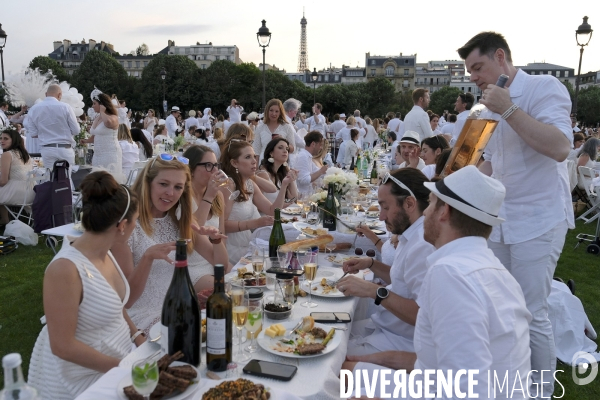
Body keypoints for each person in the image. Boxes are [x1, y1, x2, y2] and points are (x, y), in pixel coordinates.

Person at [344, 166, 532, 399]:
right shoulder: (491, 269)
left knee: (333, 378)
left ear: (445, 212)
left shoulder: (451, 273)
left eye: (431, 204)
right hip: (433, 384)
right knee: (343, 368)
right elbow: (432, 362)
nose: (425, 214)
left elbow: (470, 389)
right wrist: (377, 359)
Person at [458, 31, 573, 396]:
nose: (473, 77)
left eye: (478, 67)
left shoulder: (544, 88)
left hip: (539, 219)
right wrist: (458, 184)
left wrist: (508, 108)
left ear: (501, 57)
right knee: (502, 308)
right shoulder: (490, 104)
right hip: (501, 221)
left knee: (532, 313)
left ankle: (539, 393)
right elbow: (493, 163)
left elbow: (559, 147)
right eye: (469, 71)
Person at [28, 171, 143, 399]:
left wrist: (139, 339)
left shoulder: (106, 252)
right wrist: (123, 368)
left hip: (117, 360)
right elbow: (62, 346)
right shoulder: (65, 269)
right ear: (121, 225)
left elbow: (116, 305)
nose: (135, 228)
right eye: (136, 222)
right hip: (79, 380)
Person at [111, 155, 228, 333]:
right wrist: (147, 258)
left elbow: (221, 265)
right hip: (142, 315)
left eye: (178, 187)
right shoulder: (127, 226)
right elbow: (128, 299)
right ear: (148, 183)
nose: (170, 193)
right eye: (163, 184)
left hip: (180, 310)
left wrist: (216, 239)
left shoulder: (180, 220)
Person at [337, 168, 435, 357]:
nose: (381, 216)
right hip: (384, 328)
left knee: (325, 358)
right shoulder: (411, 235)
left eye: (386, 207)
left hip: (401, 343)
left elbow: (423, 316)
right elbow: (403, 280)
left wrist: (373, 291)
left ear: (409, 203)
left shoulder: (423, 245)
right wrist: (371, 264)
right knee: (325, 330)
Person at [220, 140, 296, 264]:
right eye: (248, 157)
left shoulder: (250, 183)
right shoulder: (229, 185)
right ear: (234, 163)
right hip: (231, 247)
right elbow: (221, 224)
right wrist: (255, 223)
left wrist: (284, 185)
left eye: (254, 156)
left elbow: (273, 210)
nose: (254, 161)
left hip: (248, 243)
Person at [23, 84, 79, 171]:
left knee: (50, 178)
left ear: (46, 94)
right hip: (65, 148)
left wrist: (46, 133)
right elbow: (76, 130)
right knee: (66, 179)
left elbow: (33, 134)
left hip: (47, 149)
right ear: (60, 94)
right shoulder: (66, 107)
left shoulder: (34, 109)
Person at [183, 145, 226, 236]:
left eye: (216, 165)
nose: (215, 171)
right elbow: (191, 233)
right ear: (191, 170)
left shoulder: (218, 196)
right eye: (208, 165)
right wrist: (209, 197)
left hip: (213, 248)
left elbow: (221, 235)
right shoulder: (183, 196)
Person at [80, 91, 123, 181]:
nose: (92, 106)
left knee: (108, 179)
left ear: (102, 105)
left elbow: (108, 123)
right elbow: (96, 134)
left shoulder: (113, 117)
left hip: (110, 153)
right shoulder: (98, 118)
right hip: (98, 154)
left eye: (94, 104)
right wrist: (86, 140)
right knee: (97, 178)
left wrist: (103, 112)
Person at [0, 128, 35, 226]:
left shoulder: (7, 154)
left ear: (14, 140)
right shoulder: (25, 154)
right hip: (31, 192)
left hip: (18, 193)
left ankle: (6, 222)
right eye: (1, 138)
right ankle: (5, 221)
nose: (2, 141)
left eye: (6, 139)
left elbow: (3, 181)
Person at [256, 138, 299, 204]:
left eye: (287, 149)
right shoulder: (263, 174)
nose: (285, 151)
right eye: (280, 148)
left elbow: (293, 199)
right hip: (267, 213)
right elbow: (258, 205)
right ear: (271, 153)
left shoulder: (280, 174)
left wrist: (289, 175)